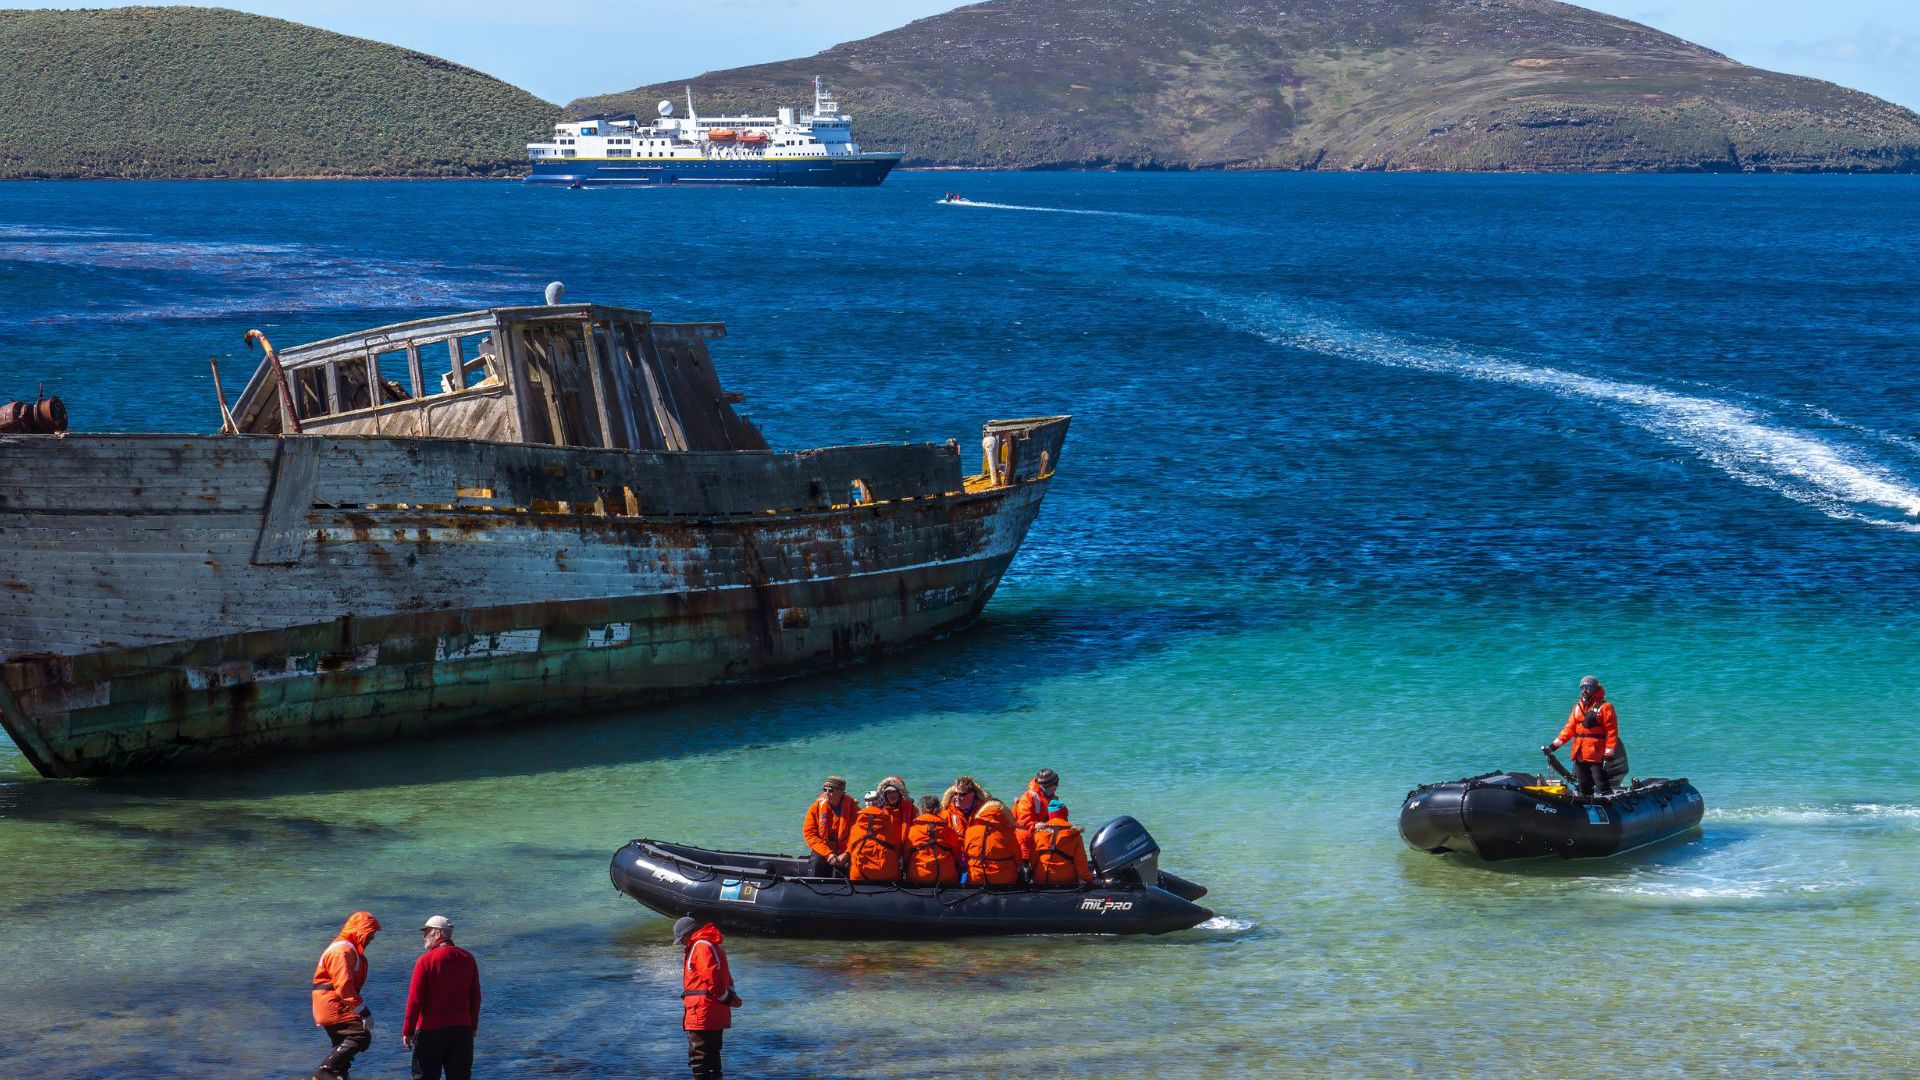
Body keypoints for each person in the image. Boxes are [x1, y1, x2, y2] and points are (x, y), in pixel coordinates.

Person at [401, 915, 482, 1080]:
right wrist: (473, 1025)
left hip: (431, 1031)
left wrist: (408, 1031)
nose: (424, 936)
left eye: (427, 932)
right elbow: (476, 997)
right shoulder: (467, 958)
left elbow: (415, 1000)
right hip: (462, 1030)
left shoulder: (425, 961)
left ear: (437, 934)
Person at [311, 910, 381, 1080]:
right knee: (360, 1035)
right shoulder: (342, 950)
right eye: (370, 934)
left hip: (332, 1001)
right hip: (332, 1002)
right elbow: (343, 986)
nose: (372, 938)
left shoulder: (348, 949)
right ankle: (324, 1071)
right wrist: (363, 1011)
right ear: (359, 931)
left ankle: (337, 1074)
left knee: (342, 1050)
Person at [676, 916, 741, 1080]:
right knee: (712, 1053)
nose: (682, 943)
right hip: (714, 1011)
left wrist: (725, 998)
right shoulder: (714, 946)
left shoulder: (700, 947)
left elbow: (711, 977)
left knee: (698, 1056)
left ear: (688, 934)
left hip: (703, 1012)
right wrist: (729, 998)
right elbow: (726, 977)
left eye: (681, 939)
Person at [1545, 675, 1621, 797]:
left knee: (1601, 783)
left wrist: (1608, 754)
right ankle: (1585, 807)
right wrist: (1553, 746)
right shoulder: (1577, 707)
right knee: (1583, 785)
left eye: (1588, 687)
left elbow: (1612, 733)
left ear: (1595, 689)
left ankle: (1610, 804)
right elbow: (1568, 729)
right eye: (1582, 687)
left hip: (1596, 755)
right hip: (1579, 754)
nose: (1584, 690)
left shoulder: (1605, 707)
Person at [1028, 800, 1093, 886]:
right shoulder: (1074, 835)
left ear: (1049, 815)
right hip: (1066, 881)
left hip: (1041, 879)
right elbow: (1082, 867)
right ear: (1065, 815)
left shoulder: (1039, 833)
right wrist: (1091, 879)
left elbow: (1032, 861)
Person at [905, 794, 964, 886]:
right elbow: (957, 854)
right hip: (946, 877)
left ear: (922, 809)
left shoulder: (913, 830)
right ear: (938, 809)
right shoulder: (949, 830)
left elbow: (906, 855)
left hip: (919, 876)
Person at [802, 775, 855, 876]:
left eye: (830, 790)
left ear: (841, 792)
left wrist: (847, 854)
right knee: (816, 861)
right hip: (823, 848)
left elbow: (857, 836)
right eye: (824, 789)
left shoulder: (854, 810)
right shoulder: (815, 808)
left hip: (844, 851)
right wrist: (828, 854)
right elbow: (810, 834)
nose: (826, 793)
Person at [847, 789, 904, 882]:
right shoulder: (889, 823)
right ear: (881, 802)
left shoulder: (856, 826)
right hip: (887, 875)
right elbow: (897, 847)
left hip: (858, 876)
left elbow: (850, 848)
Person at [963, 799, 1022, 885]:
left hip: (976, 879)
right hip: (1005, 880)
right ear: (1005, 814)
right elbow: (1018, 859)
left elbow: (966, 854)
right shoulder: (1009, 833)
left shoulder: (970, 831)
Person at [1013, 768, 1060, 859]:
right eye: (1056, 784)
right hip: (1025, 841)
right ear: (1049, 785)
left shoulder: (1051, 797)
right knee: (1027, 871)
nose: (1058, 786)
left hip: (1039, 837)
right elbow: (1024, 822)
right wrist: (1044, 828)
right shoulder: (1027, 798)